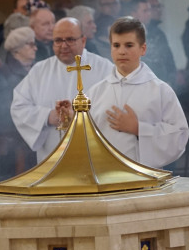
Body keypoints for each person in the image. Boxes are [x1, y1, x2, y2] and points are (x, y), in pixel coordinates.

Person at [86, 17, 188, 168]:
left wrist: (139, 129)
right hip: (104, 176)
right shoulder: (95, 91)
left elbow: (178, 136)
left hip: (144, 178)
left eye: (129, 45)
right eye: (116, 45)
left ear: (143, 49)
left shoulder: (160, 90)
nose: (122, 51)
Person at [11, 18, 114, 162]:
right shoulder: (40, 71)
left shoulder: (104, 68)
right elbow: (19, 107)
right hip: (52, 158)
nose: (64, 46)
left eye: (70, 39)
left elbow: (114, 108)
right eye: (58, 40)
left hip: (93, 157)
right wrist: (48, 116)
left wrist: (80, 118)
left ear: (83, 41)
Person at [129, 0, 177, 86]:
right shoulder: (126, 36)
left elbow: (169, 59)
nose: (149, 14)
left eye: (149, 10)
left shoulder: (158, 33)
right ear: (134, 14)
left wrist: (171, 79)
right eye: (145, 11)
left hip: (163, 83)